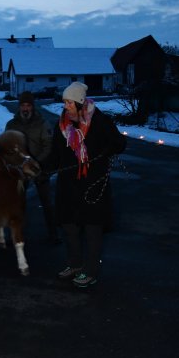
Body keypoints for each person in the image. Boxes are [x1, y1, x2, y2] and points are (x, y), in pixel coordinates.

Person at [49, 82, 126, 288]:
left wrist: (110, 147)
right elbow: (54, 154)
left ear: (80, 103)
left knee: (92, 229)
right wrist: (39, 167)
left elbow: (120, 143)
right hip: (68, 186)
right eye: (64, 102)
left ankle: (90, 271)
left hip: (92, 185)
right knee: (69, 227)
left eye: (69, 103)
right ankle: (74, 264)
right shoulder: (62, 125)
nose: (65, 107)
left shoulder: (100, 121)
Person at [5, 91, 60, 243]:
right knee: (17, 203)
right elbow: (7, 146)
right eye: (23, 105)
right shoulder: (11, 124)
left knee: (47, 202)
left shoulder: (42, 123)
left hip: (39, 167)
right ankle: (18, 237)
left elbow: (48, 145)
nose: (25, 108)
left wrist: (38, 163)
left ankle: (53, 235)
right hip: (20, 170)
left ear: (33, 107)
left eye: (28, 105)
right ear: (19, 107)